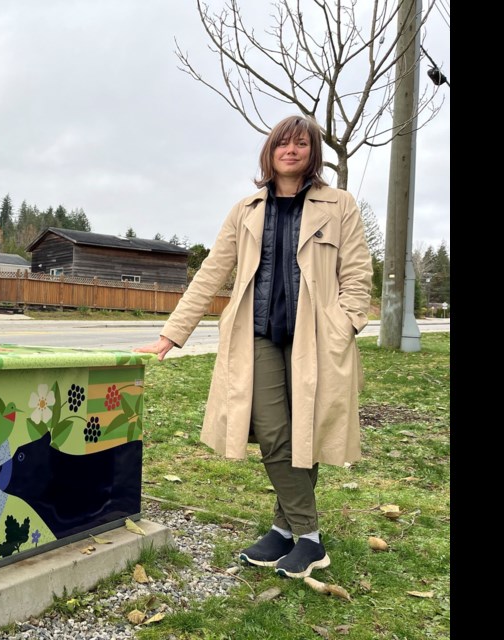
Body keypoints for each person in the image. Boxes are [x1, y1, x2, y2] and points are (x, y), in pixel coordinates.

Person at [135, 115, 372, 579]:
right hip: (258, 334)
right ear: (270, 151)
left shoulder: (339, 204)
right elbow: (211, 272)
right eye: (283, 143)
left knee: (306, 430)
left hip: (317, 337)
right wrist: (172, 334)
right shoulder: (246, 209)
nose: (291, 150)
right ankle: (309, 535)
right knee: (273, 431)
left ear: (312, 152)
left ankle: (287, 533)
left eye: (301, 143)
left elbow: (358, 272)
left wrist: (346, 324)